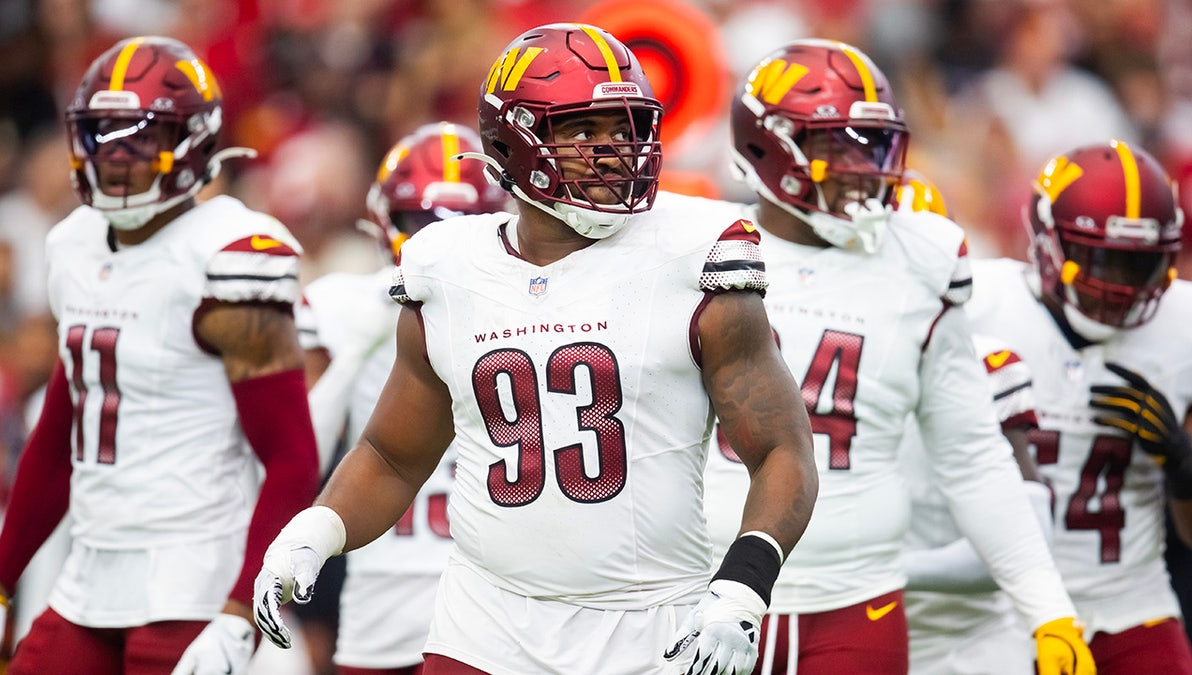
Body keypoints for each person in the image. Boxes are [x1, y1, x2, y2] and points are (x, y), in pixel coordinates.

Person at [254, 22, 820, 675]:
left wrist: (743, 584)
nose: (616, 150)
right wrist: (316, 529)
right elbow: (392, 453)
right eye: (585, 131)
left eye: (628, 125)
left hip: (649, 626)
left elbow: (782, 447)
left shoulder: (693, 252)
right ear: (512, 142)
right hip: (485, 625)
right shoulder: (447, 265)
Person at [703, 38, 1093, 675]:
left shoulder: (920, 257)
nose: (864, 165)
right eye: (837, 145)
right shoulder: (698, 247)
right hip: (706, 593)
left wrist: (1048, 610)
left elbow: (971, 455)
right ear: (765, 146)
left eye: (872, 143)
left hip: (857, 603)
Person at [0, 35, 319, 674]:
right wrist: (0, 579)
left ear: (195, 141)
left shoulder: (229, 255)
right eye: (101, 135)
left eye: (142, 136)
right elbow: (62, 429)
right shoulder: (74, 246)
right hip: (87, 575)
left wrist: (242, 606)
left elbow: (291, 458)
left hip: (192, 581)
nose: (116, 159)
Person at [965, 139, 1192, 674]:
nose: (1120, 288)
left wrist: (1182, 464)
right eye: (1102, 260)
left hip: (1128, 605)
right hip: (996, 608)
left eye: (1140, 268)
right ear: (1047, 244)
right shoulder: (980, 305)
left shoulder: (1182, 325)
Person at [298, 121, 510, 675]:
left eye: (464, 221)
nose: (440, 239)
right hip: (382, 602)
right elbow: (296, 454)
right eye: (421, 222)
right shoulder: (343, 308)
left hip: (495, 597)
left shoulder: (536, 307)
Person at [894, 176, 1053, 674]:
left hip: (968, 645)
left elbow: (1025, 535)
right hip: (852, 626)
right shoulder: (814, 353)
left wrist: (880, 569)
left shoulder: (987, 367)